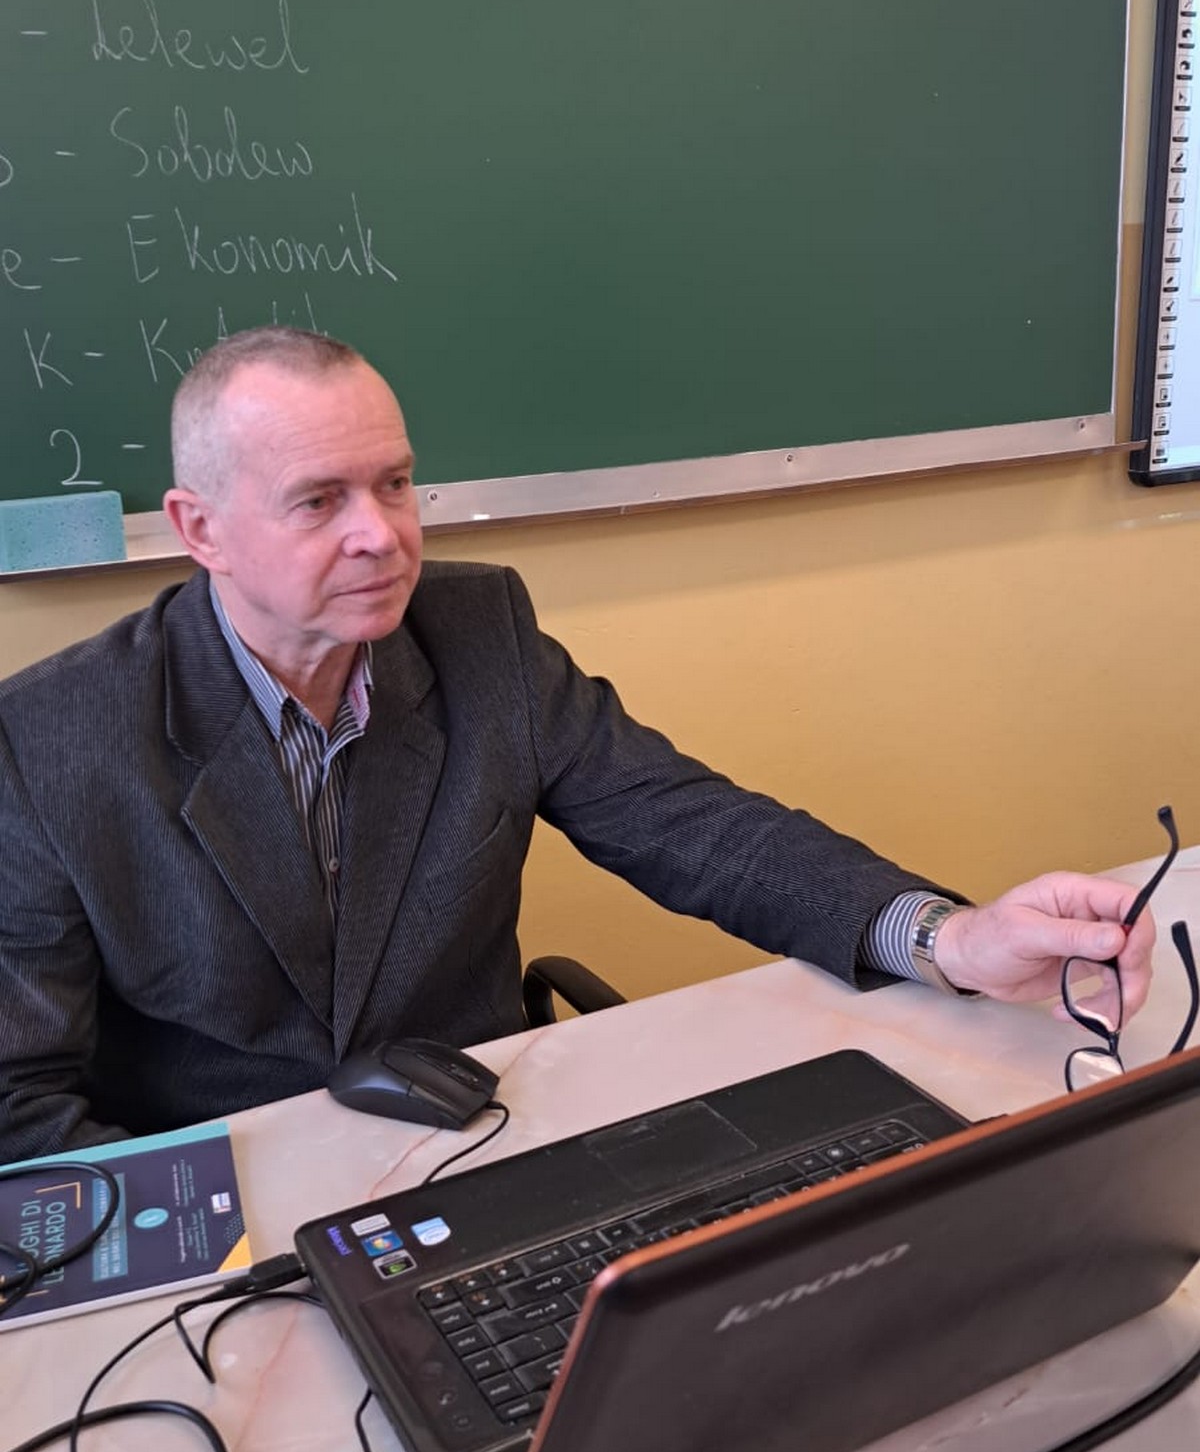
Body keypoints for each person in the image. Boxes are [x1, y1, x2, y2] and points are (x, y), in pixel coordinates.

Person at [0, 329, 1154, 1163]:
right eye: (319, 500)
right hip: (228, 1202)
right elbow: (21, 1096)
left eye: (396, 484)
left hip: (481, 1141)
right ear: (200, 528)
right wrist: (199, 1252)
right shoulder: (53, 738)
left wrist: (951, 938)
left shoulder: (479, 629)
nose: (381, 535)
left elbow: (695, 827)